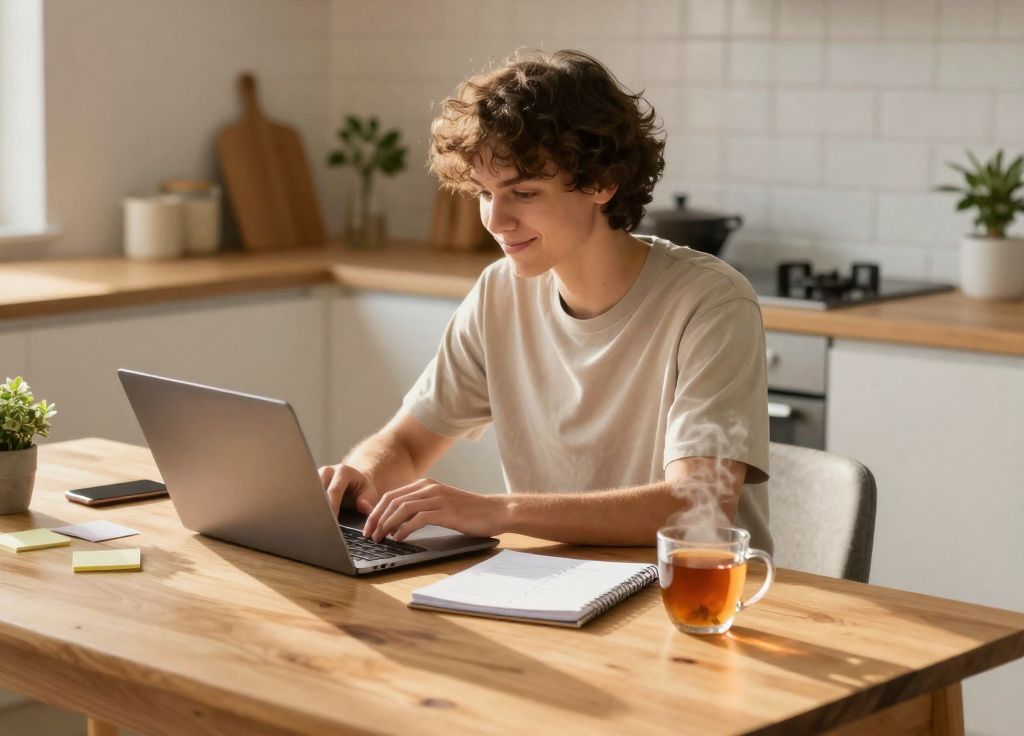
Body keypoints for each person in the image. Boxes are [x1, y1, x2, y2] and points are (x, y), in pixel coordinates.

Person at [320, 49, 771, 551]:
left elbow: (699, 506)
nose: (494, 220)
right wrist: (359, 475)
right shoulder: (499, 293)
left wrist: (496, 510)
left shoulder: (711, 302)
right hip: (548, 591)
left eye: (524, 193)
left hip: (688, 602)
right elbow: (405, 443)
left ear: (602, 182)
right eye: (485, 193)